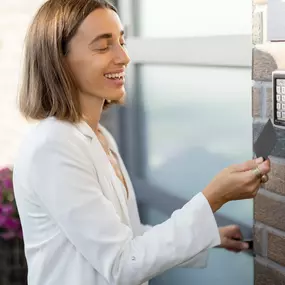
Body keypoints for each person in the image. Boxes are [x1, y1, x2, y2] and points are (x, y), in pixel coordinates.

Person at [12, 1, 271, 285]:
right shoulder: (52, 148)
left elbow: (128, 236)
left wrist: (210, 237)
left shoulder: (100, 138)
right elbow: (123, 263)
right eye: (103, 46)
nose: (123, 57)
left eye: (122, 41)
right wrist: (213, 198)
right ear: (58, 60)